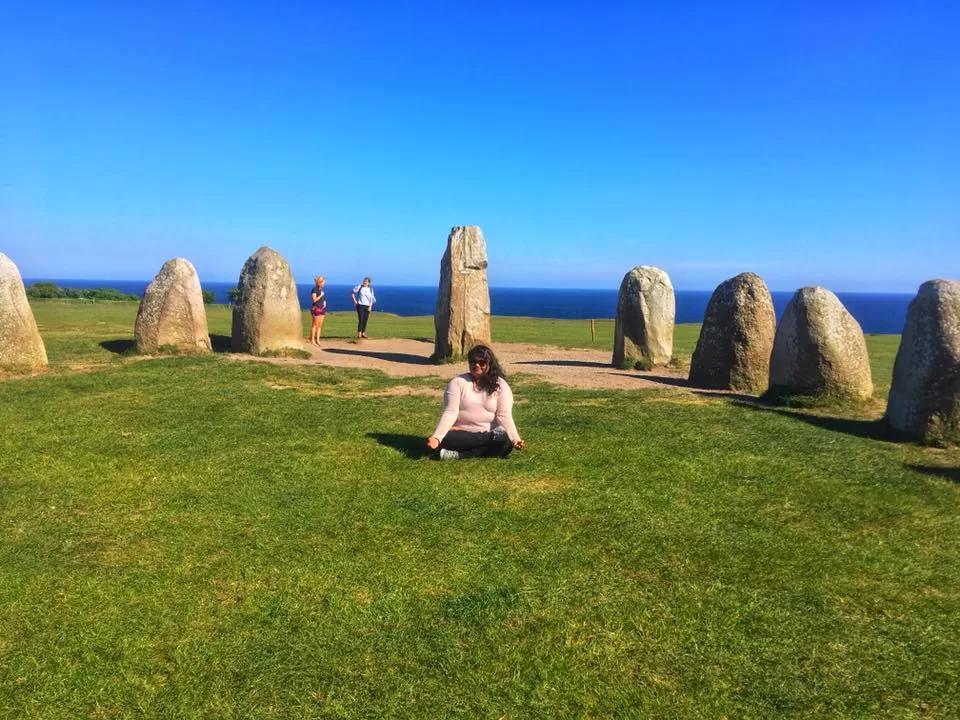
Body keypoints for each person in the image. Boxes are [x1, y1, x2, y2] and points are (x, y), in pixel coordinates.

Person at [426, 344, 526, 460]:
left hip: (488, 431)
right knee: (447, 437)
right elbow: (450, 412)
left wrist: (515, 439)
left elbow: (504, 415)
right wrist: (437, 437)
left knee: (506, 442)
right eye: (472, 362)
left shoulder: (501, 386)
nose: (476, 365)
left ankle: (458, 455)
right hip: (463, 434)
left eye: (482, 362)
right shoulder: (457, 383)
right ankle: (492, 437)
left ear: (490, 363)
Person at [308, 275, 327, 345]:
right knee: (315, 325)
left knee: (319, 326)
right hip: (316, 309)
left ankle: (318, 340)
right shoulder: (314, 289)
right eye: (323, 282)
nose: (324, 284)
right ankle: (312, 340)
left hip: (322, 308)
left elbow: (319, 299)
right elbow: (314, 300)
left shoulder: (320, 290)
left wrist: (324, 302)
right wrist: (321, 295)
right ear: (319, 282)